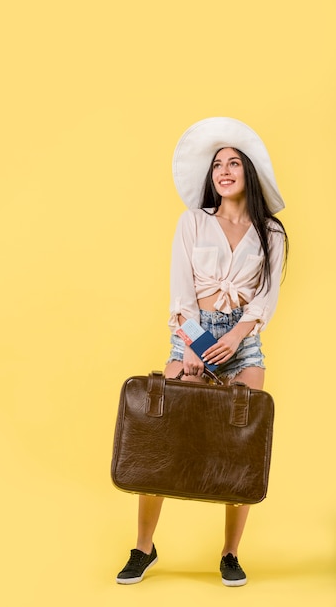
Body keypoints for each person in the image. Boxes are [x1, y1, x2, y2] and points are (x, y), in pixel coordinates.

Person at [116, 117, 288, 587]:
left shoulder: (271, 234)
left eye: (234, 163)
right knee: (162, 435)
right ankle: (144, 547)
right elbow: (180, 294)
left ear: (248, 173)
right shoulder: (193, 222)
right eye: (217, 165)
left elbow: (265, 299)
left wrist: (235, 340)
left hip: (244, 342)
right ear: (211, 178)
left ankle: (230, 553)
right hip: (193, 335)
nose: (225, 171)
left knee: (242, 443)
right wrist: (199, 344)